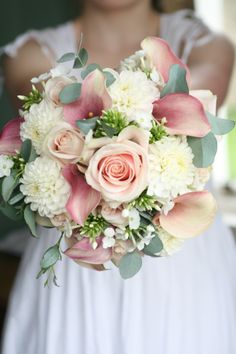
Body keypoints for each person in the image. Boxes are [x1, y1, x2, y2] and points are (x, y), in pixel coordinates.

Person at [1, 1, 236, 353]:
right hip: (74, 262)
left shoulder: (205, 45)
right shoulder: (29, 54)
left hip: (185, 262)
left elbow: (192, 99)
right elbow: (41, 113)